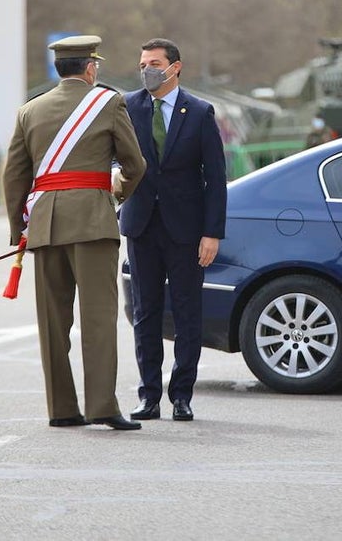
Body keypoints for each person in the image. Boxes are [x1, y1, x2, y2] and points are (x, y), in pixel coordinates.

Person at [3, 34, 146, 430]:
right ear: (89, 68)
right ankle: (101, 405)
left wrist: (19, 230)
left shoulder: (29, 111)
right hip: (92, 222)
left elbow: (14, 175)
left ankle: (62, 408)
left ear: (57, 69)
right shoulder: (109, 102)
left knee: (53, 323)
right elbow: (135, 164)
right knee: (98, 319)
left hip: (46, 224)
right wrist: (116, 194)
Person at [118, 38, 227, 423]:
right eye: (142, 62)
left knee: (186, 314)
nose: (147, 69)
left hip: (186, 230)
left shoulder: (198, 112)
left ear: (175, 67)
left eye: (154, 62)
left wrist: (212, 233)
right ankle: (149, 396)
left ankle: (182, 394)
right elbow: (113, 160)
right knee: (146, 313)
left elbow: (215, 178)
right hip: (142, 226)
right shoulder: (128, 107)